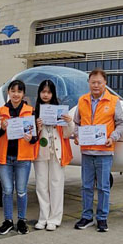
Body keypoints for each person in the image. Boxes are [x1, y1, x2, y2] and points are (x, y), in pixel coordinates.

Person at [73, 68, 123, 233]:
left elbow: (122, 124)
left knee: (103, 187)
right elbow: (76, 123)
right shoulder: (82, 101)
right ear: (88, 83)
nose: (96, 85)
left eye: (99, 83)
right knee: (86, 186)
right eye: (93, 82)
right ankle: (87, 217)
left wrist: (113, 137)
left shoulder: (114, 101)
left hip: (104, 152)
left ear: (105, 84)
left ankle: (102, 219)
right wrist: (76, 135)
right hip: (87, 152)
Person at [0, 80, 38, 235]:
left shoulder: (30, 111)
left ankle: (22, 220)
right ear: (8, 93)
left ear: (23, 94)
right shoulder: (0, 111)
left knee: (21, 190)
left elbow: (35, 138)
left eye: (19, 91)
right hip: (5, 157)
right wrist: (1, 129)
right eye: (13, 91)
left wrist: (30, 138)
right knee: (7, 190)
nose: (16, 94)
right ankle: (8, 221)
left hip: (23, 158)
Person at [32, 80, 74, 231]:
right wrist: (37, 127)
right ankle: (43, 217)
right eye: (43, 92)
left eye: (48, 92)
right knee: (41, 185)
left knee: (56, 184)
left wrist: (69, 123)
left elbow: (68, 134)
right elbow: (31, 136)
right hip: (40, 152)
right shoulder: (34, 111)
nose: (45, 95)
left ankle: (54, 218)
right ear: (39, 93)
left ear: (53, 94)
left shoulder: (61, 112)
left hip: (57, 152)